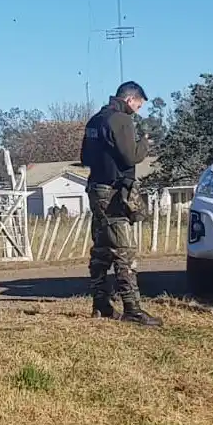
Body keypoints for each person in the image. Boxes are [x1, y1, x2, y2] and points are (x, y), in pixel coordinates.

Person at [79, 81, 162, 327]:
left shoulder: (95, 120)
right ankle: (132, 308)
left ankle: (100, 304)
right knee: (124, 251)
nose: (138, 109)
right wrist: (145, 143)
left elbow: (85, 157)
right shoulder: (121, 120)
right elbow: (131, 156)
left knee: (102, 249)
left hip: (96, 188)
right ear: (129, 99)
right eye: (138, 104)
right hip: (115, 191)